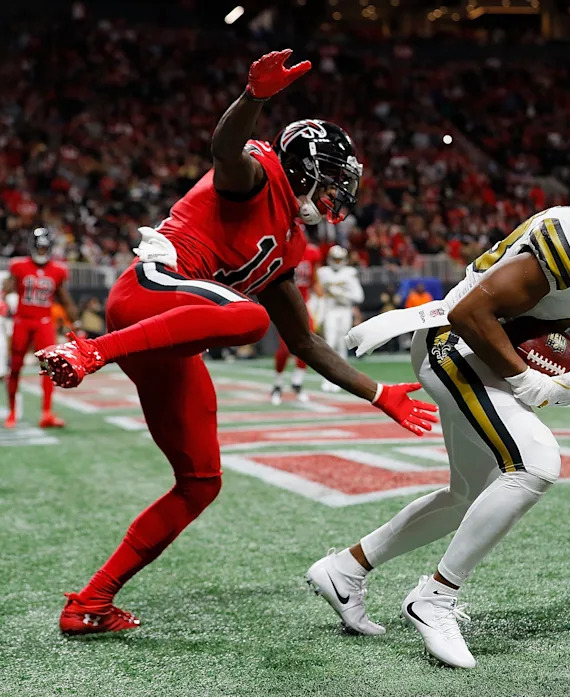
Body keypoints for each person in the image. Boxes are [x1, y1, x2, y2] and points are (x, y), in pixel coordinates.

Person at [35, 49, 438, 636]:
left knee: (201, 482)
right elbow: (225, 151)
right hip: (149, 290)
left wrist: (378, 394)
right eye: (332, 179)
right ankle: (89, 350)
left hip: (169, 336)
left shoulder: (291, 242)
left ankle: (91, 601)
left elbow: (304, 340)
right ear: (303, 168)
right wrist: (253, 97)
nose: (340, 194)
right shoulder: (258, 173)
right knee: (248, 318)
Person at [305, 158, 570, 669]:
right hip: (456, 343)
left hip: (484, 348)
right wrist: (524, 378)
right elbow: (469, 312)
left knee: (467, 495)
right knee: (535, 464)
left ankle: (345, 570)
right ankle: (434, 599)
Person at [5, 228, 77, 429]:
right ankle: (12, 411)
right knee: (15, 367)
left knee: (48, 367)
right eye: (39, 247)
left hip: (43, 323)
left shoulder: (57, 270)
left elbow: (64, 299)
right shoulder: (19, 266)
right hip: (22, 322)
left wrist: (76, 323)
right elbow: (6, 289)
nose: (42, 251)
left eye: (45, 248)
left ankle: (46, 412)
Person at [271, 238, 322, 404]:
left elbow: (315, 281)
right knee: (284, 348)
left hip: (304, 304)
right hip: (284, 305)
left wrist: (322, 300)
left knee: (308, 343)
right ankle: (278, 384)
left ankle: (297, 383)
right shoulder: (281, 250)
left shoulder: (312, 253)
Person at [317, 244, 363, 392]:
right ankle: (327, 378)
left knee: (342, 344)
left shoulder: (350, 273)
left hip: (344, 310)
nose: (337, 262)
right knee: (329, 343)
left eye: (339, 259)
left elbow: (359, 296)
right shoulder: (323, 272)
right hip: (330, 310)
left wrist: (340, 294)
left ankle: (341, 380)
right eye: (334, 259)